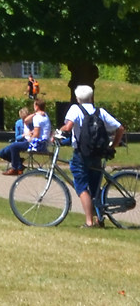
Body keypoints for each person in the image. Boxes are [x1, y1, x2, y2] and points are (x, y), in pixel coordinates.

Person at [62, 83, 125, 227]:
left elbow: (69, 126)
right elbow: (120, 128)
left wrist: (59, 132)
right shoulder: (99, 112)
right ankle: (99, 220)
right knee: (95, 187)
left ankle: (89, 222)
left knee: (82, 187)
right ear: (91, 97)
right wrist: (112, 146)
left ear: (77, 98)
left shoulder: (75, 109)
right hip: (97, 154)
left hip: (81, 154)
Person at [0, 100, 49, 177]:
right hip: (38, 142)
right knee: (3, 152)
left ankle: (16, 168)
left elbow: (36, 134)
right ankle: (19, 165)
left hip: (36, 144)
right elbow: (26, 121)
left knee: (13, 146)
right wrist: (35, 113)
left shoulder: (37, 118)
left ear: (36, 106)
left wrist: (31, 137)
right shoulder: (44, 116)